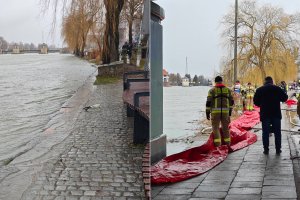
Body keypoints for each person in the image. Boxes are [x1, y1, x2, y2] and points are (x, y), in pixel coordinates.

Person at [254, 76, 288, 155]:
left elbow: (255, 102)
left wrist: (262, 104)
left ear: (265, 82)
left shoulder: (260, 90)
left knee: (265, 132)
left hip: (265, 114)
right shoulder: (277, 89)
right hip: (276, 114)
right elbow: (284, 98)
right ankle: (278, 149)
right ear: (272, 81)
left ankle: (266, 149)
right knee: (277, 132)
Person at [206, 76, 234, 147]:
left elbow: (208, 102)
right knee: (226, 128)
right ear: (222, 81)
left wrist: (207, 112)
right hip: (225, 112)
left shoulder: (212, 90)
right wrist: (230, 111)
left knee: (215, 128)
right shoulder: (228, 90)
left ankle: (218, 145)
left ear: (215, 82)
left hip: (215, 113)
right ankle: (228, 144)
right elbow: (231, 101)